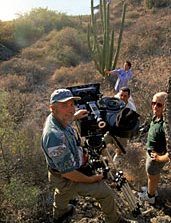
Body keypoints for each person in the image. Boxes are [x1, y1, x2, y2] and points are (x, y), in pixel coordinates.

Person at [41, 88, 137, 223]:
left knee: (61, 192)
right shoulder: (54, 136)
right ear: (53, 108)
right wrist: (92, 179)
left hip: (59, 172)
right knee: (106, 193)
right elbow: (69, 173)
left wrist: (74, 116)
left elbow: (66, 118)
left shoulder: (57, 118)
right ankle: (114, 220)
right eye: (64, 106)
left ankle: (59, 214)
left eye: (71, 105)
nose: (70, 109)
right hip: (67, 176)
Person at [138, 91, 171, 205]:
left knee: (153, 174)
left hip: (157, 156)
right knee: (151, 174)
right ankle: (151, 189)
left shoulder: (168, 124)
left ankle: (150, 196)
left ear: (166, 106)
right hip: (152, 152)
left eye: (159, 105)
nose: (155, 106)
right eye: (153, 103)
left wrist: (159, 158)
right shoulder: (158, 115)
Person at [104, 87, 138, 165]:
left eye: (125, 96)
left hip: (122, 133)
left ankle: (116, 163)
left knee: (120, 150)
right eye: (121, 95)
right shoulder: (115, 102)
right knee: (102, 143)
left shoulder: (131, 108)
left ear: (128, 97)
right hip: (111, 130)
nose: (122, 98)